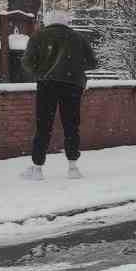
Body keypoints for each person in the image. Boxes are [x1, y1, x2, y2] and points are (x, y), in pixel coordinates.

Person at [21, 10, 97, 181]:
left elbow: (26, 61)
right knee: (71, 125)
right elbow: (92, 62)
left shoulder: (39, 36)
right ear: (66, 22)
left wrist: (40, 72)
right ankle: (73, 167)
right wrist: (74, 68)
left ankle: (37, 168)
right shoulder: (78, 38)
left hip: (47, 85)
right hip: (72, 86)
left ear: (48, 21)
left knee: (43, 126)